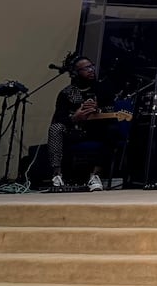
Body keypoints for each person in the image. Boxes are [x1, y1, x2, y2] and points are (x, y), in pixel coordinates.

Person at [47, 56, 117, 191]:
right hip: (75, 131)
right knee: (56, 128)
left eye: (92, 67)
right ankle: (57, 175)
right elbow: (58, 118)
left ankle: (95, 175)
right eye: (86, 68)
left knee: (112, 130)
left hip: (96, 130)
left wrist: (97, 110)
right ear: (76, 72)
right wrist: (75, 117)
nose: (91, 70)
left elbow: (111, 112)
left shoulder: (103, 89)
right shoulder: (66, 93)